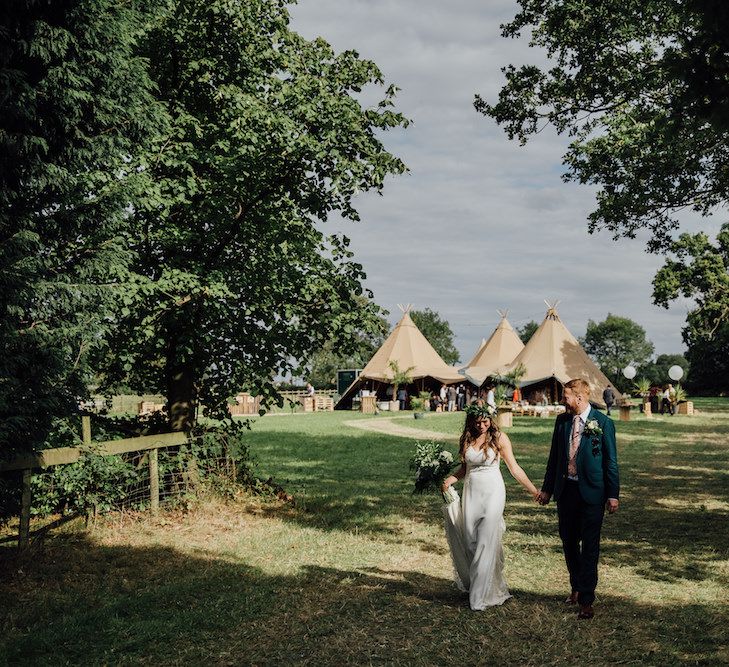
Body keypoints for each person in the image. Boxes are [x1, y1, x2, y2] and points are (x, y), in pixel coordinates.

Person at [441, 404, 540, 610]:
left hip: (493, 492)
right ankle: (486, 585)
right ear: (471, 421)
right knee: (470, 541)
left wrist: (533, 491)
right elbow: (465, 468)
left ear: (491, 419)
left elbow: (514, 468)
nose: (482, 425)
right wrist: (449, 480)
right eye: (478, 422)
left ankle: (478, 598)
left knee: (486, 540)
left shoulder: (499, 438)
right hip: (472, 492)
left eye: (485, 421)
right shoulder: (467, 438)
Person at [537, 378, 620, 620]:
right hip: (566, 492)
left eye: (566, 397)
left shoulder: (603, 423)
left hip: (593, 493)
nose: (563, 400)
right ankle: (575, 586)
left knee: (590, 546)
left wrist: (613, 494)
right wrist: (547, 489)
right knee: (569, 542)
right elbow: (554, 459)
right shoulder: (562, 422)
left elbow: (610, 462)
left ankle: (586, 599)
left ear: (580, 398)